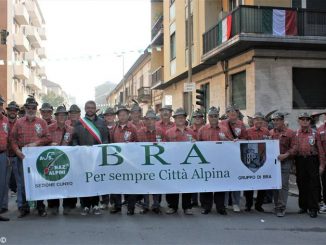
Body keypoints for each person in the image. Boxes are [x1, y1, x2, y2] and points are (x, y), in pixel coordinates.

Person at [10, 95, 52, 217]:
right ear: (26, 108)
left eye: (33, 107)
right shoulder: (19, 122)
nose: (31, 109)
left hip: (37, 157)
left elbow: (48, 137)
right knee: (23, 183)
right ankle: (24, 207)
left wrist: (36, 143)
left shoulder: (42, 122)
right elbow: (12, 139)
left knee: (38, 182)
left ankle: (40, 206)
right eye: (29, 107)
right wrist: (17, 151)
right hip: (22, 157)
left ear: (36, 109)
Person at [72, 101, 109, 216]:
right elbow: (74, 139)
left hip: (97, 157)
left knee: (96, 180)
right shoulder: (79, 123)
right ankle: (85, 205)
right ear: (85, 108)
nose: (90, 109)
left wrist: (101, 151)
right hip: (83, 157)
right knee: (84, 181)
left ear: (95, 109)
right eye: (88, 107)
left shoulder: (102, 123)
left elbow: (106, 139)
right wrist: (77, 149)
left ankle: (96, 204)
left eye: (92, 107)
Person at [198, 106, 231, 215]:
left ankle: (220, 207)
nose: (213, 118)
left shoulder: (224, 129)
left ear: (218, 117)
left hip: (220, 161)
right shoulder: (202, 129)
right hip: (206, 161)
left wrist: (225, 140)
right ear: (208, 117)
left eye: (215, 116)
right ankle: (206, 207)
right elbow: (197, 145)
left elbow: (231, 145)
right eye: (211, 116)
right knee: (206, 185)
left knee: (220, 185)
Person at [293, 112, 325, 218]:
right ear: (299, 121)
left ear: (310, 121)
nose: (305, 121)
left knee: (314, 184)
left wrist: (322, 164)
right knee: (301, 183)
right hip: (300, 160)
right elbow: (294, 149)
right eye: (302, 119)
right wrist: (293, 165)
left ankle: (313, 208)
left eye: (307, 119)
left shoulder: (315, 133)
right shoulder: (296, 133)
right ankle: (303, 206)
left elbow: (320, 150)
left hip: (312, 160)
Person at [165, 107, 196, 215]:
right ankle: (172, 206)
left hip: (188, 163)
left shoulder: (191, 132)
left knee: (187, 185)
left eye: (182, 117)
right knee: (173, 185)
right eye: (178, 117)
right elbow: (164, 148)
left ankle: (187, 207)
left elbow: (196, 147)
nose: (180, 119)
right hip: (173, 163)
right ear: (174, 119)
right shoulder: (168, 132)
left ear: (185, 118)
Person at [137, 108, 166, 214]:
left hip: (157, 162)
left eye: (152, 119)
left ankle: (156, 204)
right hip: (144, 162)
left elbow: (166, 146)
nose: (150, 121)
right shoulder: (139, 132)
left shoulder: (161, 131)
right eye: (148, 119)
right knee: (145, 184)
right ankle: (145, 205)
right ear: (145, 120)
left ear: (155, 120)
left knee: (156, 184)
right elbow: (135, 146)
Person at [110, 105, 138, 215]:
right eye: (120, 115)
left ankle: (131, 208)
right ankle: (117, 206)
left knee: (131, 185)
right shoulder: (114, 129)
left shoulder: (133, 128)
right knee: (116, 184)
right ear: (118, 116)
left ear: (128, 115)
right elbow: (111, 144)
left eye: (124, 115)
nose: (122, 117)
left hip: (130, 162)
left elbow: (138, 144)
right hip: (117, 162)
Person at [221, 104, 248, 212]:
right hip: (224, 155)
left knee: (236, 180)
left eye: (234, 111)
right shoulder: (221, 124)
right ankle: (225, 202)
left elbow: (246, 139)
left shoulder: (241, 124)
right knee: (225, 179)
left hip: (237, 156)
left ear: (237, 113)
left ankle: (236, 203)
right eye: (229, 111)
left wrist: (239, 141)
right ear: (227, 113)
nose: (232, 113)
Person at [48, 106, 74, 215]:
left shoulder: (71, 129)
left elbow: (74, 143)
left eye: (64, 115)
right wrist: (49, 144)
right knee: (53, 183)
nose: (62, 117)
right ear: (56, 116)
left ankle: (67, 205)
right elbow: (43, 141)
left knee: (67, 183)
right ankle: (53, 205)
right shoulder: (49, 128)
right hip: (53, 160)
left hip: (66, 160)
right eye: (60, 115)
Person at [270, 112, 295, 217]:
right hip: (273, 163)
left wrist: (286, 155)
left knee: (283, 185)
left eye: (278, 120)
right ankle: (276, 205)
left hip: (285, 161)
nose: (276, 122)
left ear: (282, 120)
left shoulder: (290, 132)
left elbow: (294, 147)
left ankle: (281, 207)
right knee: (275, 184)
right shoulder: (271, 132)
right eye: (274, 120)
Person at [244, 112, 270, 212]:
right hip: (250, 159)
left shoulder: (266, 131)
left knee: (262, 183)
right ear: (253, 121)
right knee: (249, 183)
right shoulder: (248, 131)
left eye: (261, 119)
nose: (259, 121)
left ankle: (259, 205)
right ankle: (248, 204)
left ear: (263, 121)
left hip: (263, 159)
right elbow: (243, 144)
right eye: (257, 119)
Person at [3, 101, 20, 215]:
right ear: (8, 111)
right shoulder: (3, 122)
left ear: (17, 112)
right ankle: (3, 206)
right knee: (4, 183)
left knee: (20, 182)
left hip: (17, 155)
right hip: (5, 155)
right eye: (10, 110)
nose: (12, 112)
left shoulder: (20, 123)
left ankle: (21, 205)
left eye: (14, 110)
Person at [100, 107, 116, 210]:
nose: (109, 117)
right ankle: (105, 201)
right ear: (104, 117)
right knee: (104, 179)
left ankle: (114, 201)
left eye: (111, 115)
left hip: (116, 157)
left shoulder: (119, 127)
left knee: (115, 179)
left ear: (114, 116)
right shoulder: (100, 127)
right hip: (103, 157)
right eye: (107, 115)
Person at [190, 108, 205, 207]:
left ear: (203, 118)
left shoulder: (207, 128)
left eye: (200, 117)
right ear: (193, 118)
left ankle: (204, 201)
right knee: (193, 179)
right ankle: (194, 200)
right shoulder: (189, 129)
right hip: (192, 157)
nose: (198, 118)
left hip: (204, 157)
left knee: (204, 179)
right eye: (196, 117)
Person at [0, 96, 10, 221]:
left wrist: (7, 155)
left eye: (0, 104)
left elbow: (7, 138)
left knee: (2, 184)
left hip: (2, 154)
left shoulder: (5, 120)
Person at [317, 112, 326, 213]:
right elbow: (320, 148)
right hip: (324, 160)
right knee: (325, 183)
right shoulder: (320, 130)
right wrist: (322, 164)